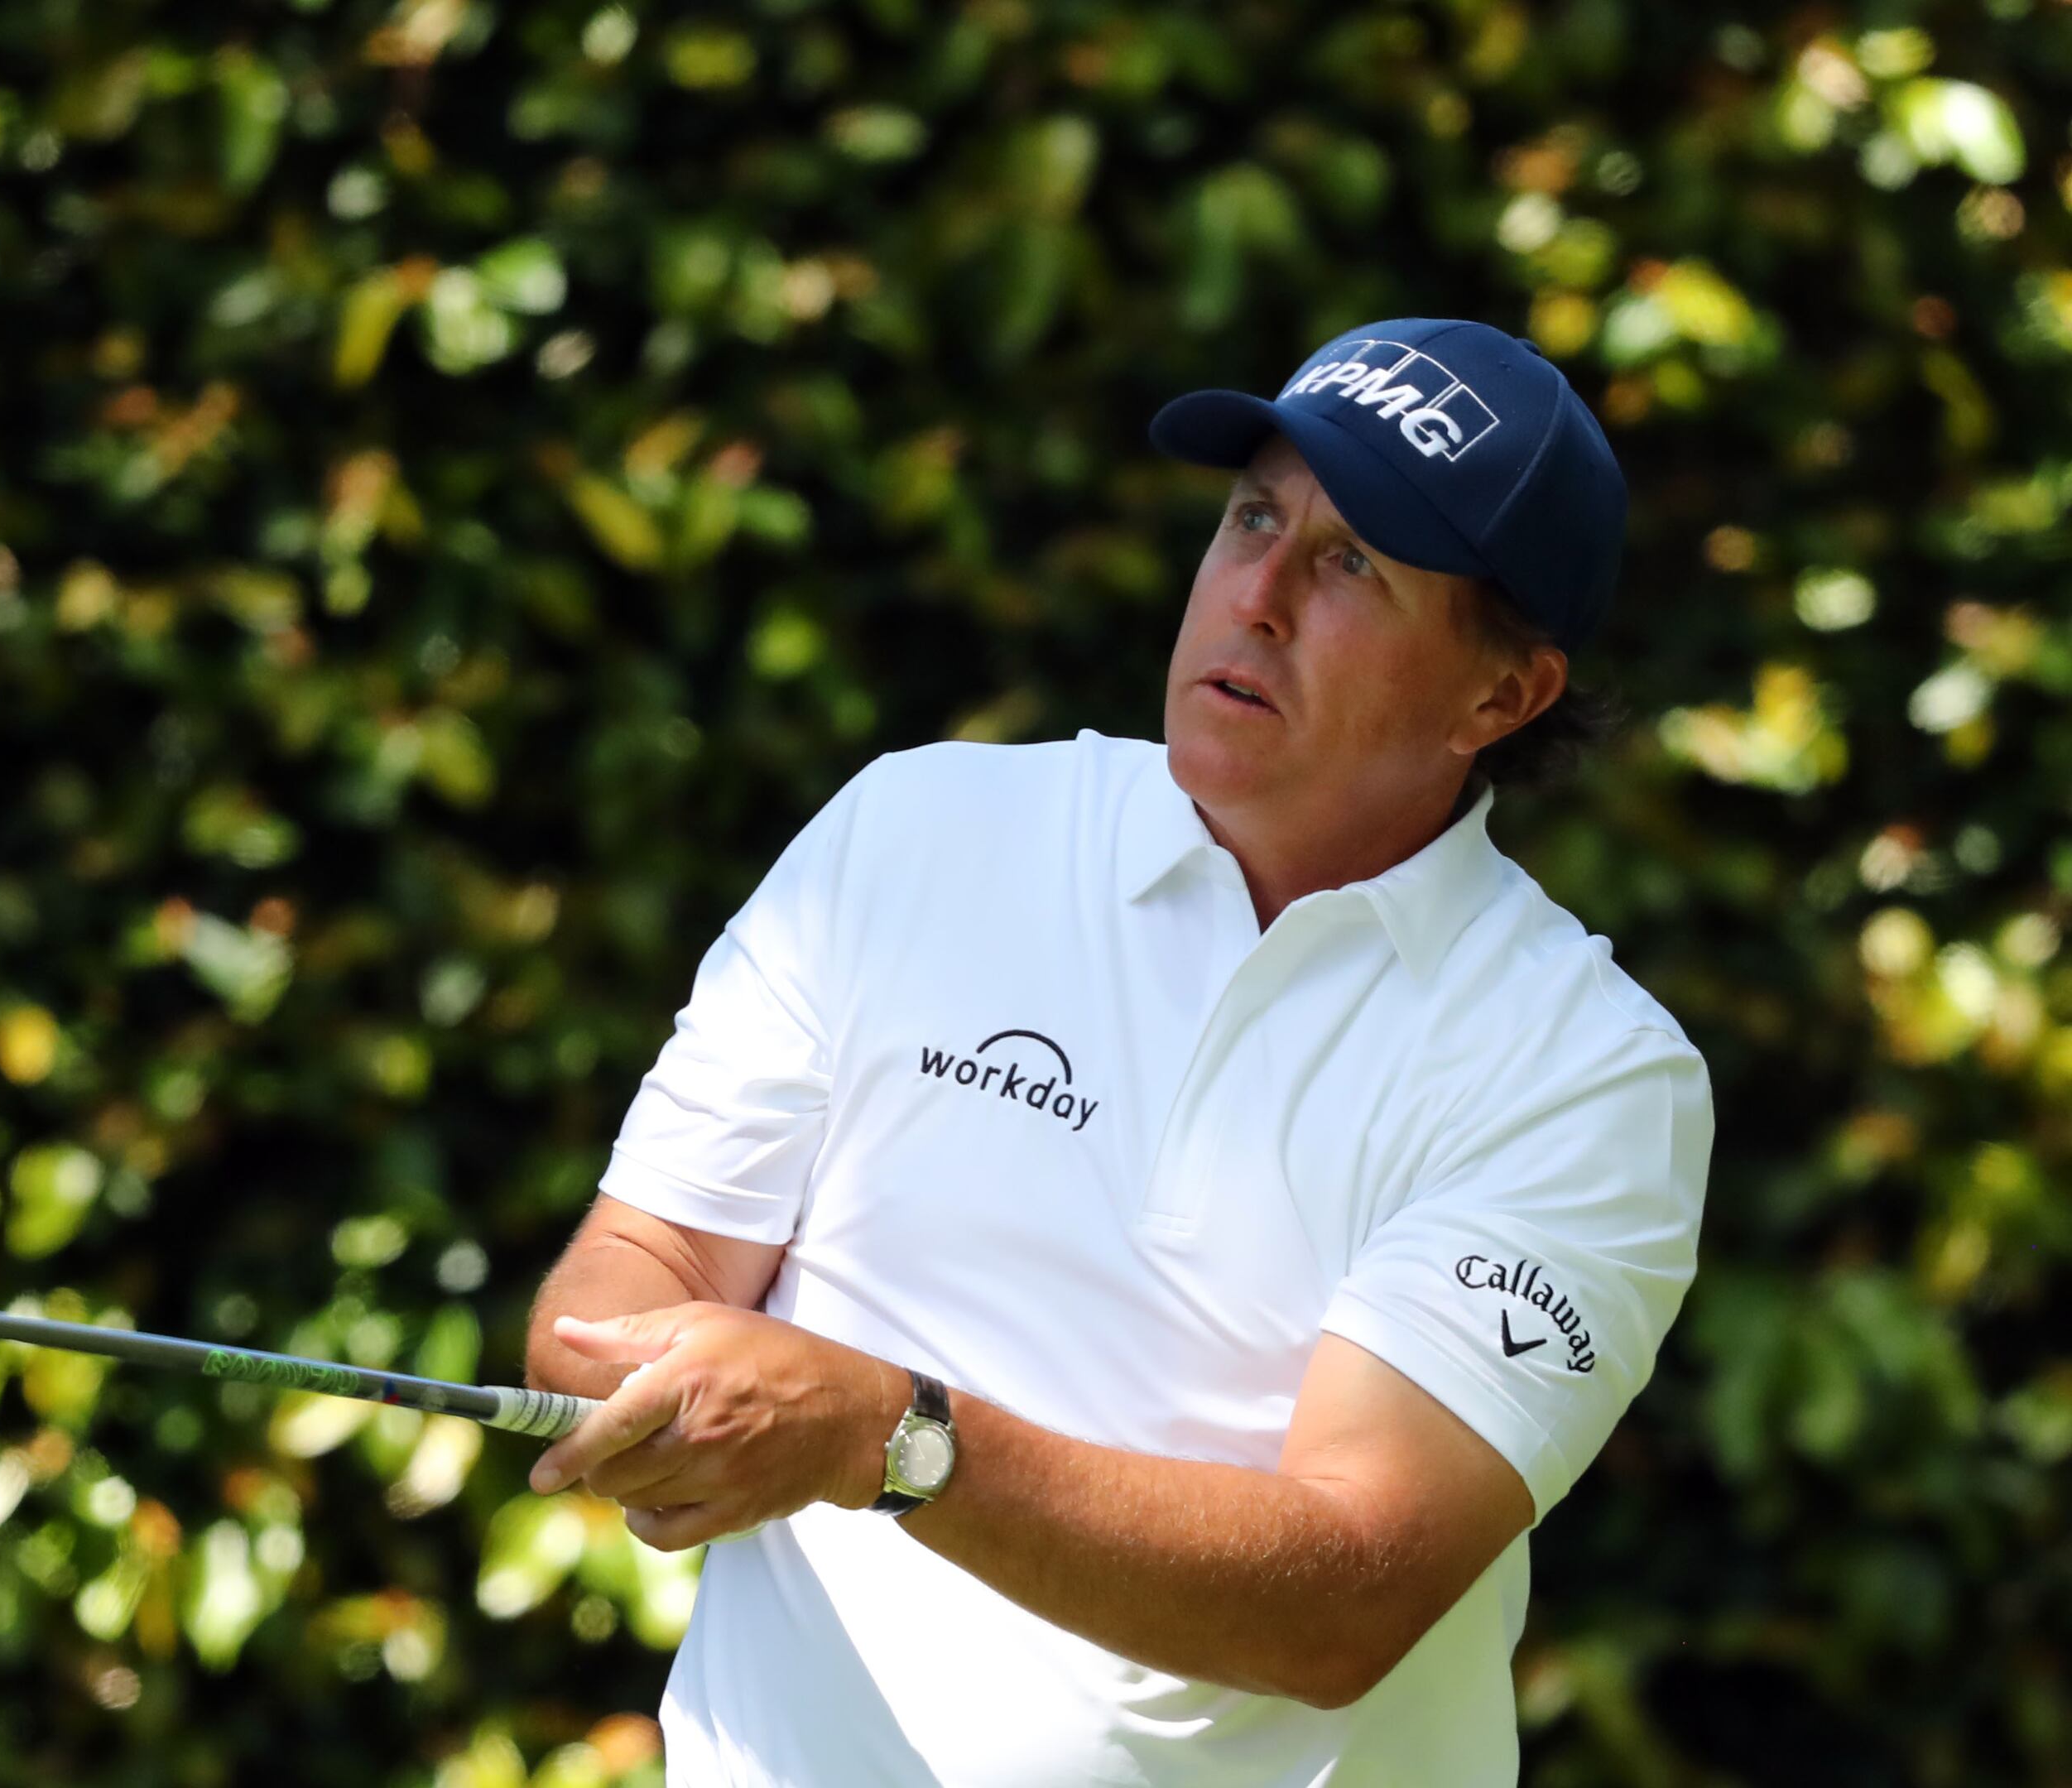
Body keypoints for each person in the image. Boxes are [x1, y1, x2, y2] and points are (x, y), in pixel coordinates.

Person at [521, 319, 1714, 1786]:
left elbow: (1347, 1598)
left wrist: (889, 1437)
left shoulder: (1583, 1073)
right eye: (1253, 518)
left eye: (1354, 565)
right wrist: (630, 1384)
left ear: (1503, 696)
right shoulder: (912, 832)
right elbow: (646, 1277)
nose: (1258, 598)